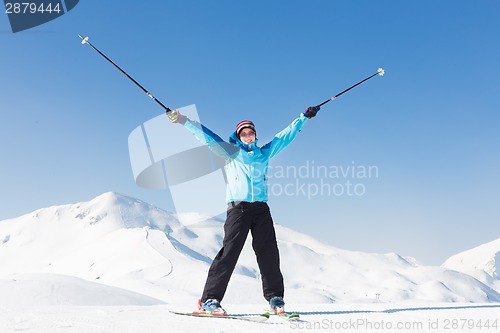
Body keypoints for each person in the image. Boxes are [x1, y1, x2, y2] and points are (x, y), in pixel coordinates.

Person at [167, 105, 320, 315]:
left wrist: (303, 118)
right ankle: (210, 300)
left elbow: (284, 137)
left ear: (255, 135)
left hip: (261, 209)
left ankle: (275, 298)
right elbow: (208, 138)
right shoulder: (232, 152)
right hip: (237, 209)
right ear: (239, 136)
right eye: (244, 133)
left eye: (251, 132)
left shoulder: (263, 153)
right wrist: (184, 121)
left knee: (268, 253)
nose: (248, 136)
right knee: (229, 253)